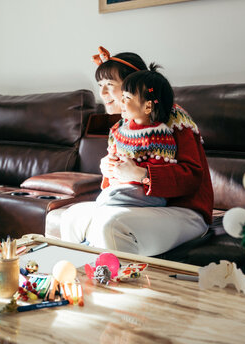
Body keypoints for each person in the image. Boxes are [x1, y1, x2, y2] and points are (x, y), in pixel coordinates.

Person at [60, 47, 213, 257]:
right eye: (100, 86)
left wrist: (143, 174)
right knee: (72, 217)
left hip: (183, 210)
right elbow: (118, 189)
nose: (102, 93)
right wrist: (109, 171)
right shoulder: (120, 128)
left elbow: (192, 178)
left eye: (110, 85)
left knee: (111, 226)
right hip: (138, 206)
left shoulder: (174, 118)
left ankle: (118, 286)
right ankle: (77, 282)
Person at [97, 63, 177, 208]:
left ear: (147, 106)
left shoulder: (159, 134)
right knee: (107, 196)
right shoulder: (119, 129)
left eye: (126, 97)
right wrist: (110, 165)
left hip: (147, 193)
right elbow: (114, 154)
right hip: (122, 187)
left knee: (110, 197)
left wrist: (137, 172)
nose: (121, 101)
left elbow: (160, 166)